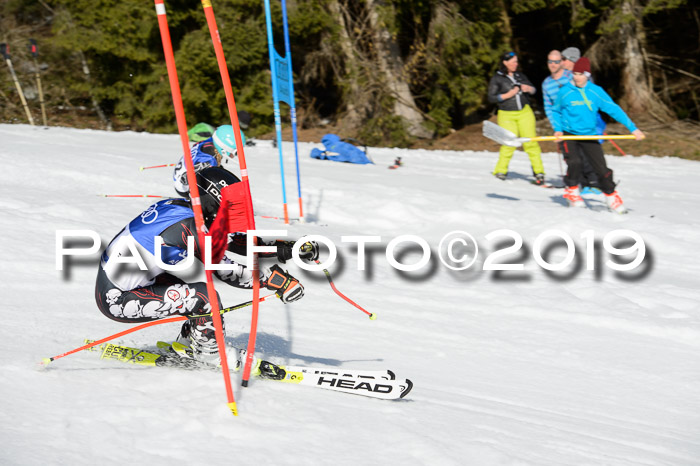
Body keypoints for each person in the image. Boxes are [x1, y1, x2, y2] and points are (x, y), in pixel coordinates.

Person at [95, 166, 319, 366]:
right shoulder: (187, 227)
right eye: (229, 208)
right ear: (212, 201)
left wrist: (288, 248)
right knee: (204, 297)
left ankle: (190, 342)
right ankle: (209, 353)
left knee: (192, 293)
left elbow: (236, 243)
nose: (232, 215)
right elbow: (227, 270)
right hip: (117, 299)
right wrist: (276, 281)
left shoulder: (181, 210)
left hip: (132, 283)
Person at [551, 57, 644, 213]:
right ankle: (572, 192)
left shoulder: (596, 91)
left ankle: (611, 197)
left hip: (589, 135)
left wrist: (632, 128)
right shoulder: (565, 91)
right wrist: (558, 128)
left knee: (601, 168)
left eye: (581, 74)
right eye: (575, 73)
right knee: (574, 162)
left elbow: (614, 109)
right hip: (569, 134)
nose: (577, 77)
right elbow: (555, 110)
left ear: (587, 75)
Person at [487, 51, 545, 184]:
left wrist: (528, 89)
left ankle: (539, 172)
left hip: (525, 112)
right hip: (507, 114)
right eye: (513, 61)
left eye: (516, 61)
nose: (515, 64)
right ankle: (500, 170)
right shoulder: (497, 78)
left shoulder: (520, 75)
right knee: (508, 143)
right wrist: (508, 95)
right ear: (505, 62)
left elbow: (534, 90)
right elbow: (491, 97)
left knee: (531, 142)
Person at [561, 47, 604, 193]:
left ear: (571, 60)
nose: (562, 62)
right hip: (573, 124)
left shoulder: (585, 77)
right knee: (575, 156)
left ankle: (593, 182)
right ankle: (583, 182)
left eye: (564, 59)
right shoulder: (569, 77)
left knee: (589, 154)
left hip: (590, 122)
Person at [172, 124, 246, 197]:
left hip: (181, 170)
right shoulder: (210, 160)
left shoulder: (211, 141)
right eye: (235, 152)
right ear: (224, 147)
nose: (234, 155)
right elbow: (187, 178)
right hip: (183, 187)